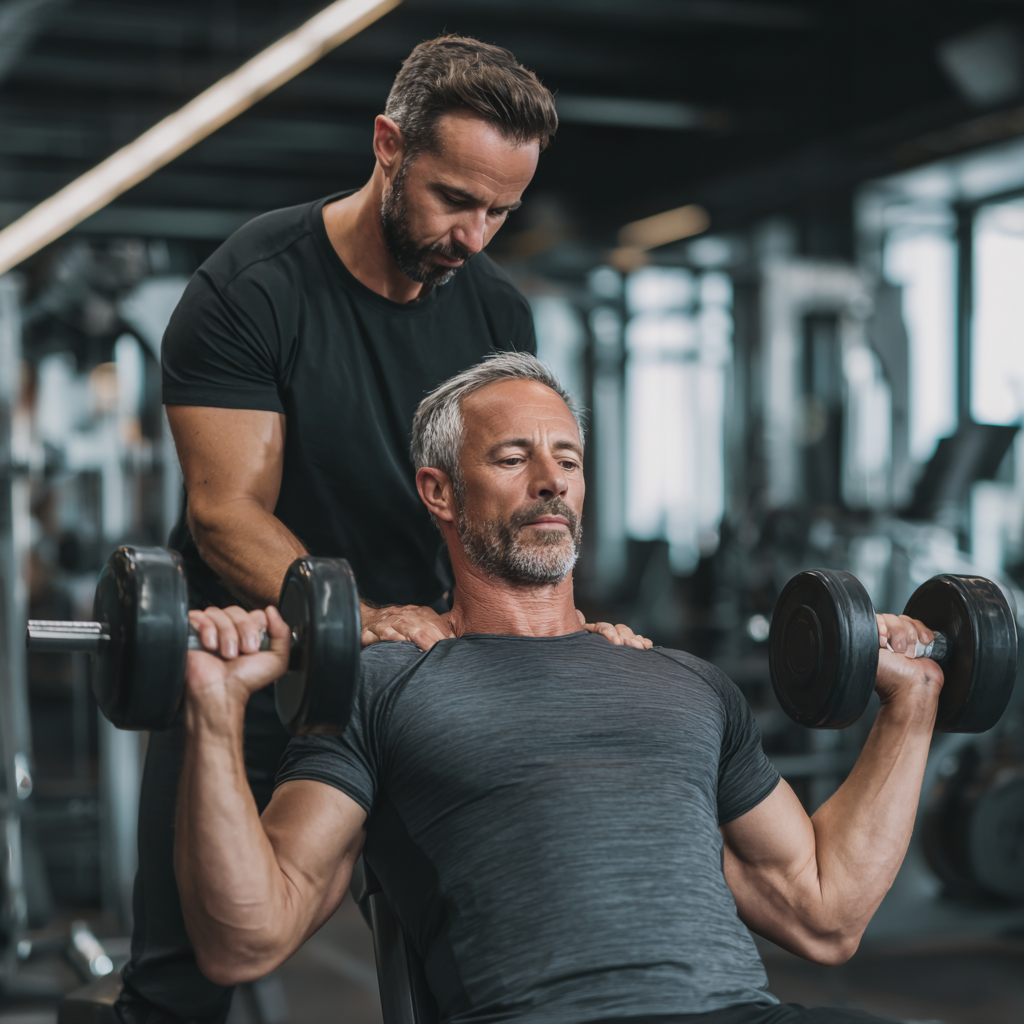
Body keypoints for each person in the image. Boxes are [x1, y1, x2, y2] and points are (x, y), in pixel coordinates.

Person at [174, 353, 945, 1024]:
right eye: (512, 459)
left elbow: (824, 911)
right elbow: (247, 935)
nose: (551, 483)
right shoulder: (379, 683)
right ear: (440, 492)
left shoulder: (687, 683)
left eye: (568, 461)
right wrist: (214, 710)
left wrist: (910, 705)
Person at [121, 36, 645, 1024]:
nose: (475, 235)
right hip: (256, 675)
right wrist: (356, 617)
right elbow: (226, 511)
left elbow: (514, 507)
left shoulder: (495, 310)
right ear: (387, 144)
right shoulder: (253, 289)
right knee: (184, 982)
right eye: (456, 198)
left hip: (425, 683)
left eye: (500, 210)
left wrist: (568, 639)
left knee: (481, 970)